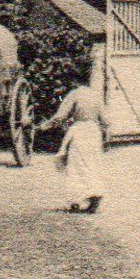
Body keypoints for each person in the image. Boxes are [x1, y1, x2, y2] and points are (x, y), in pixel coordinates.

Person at [39, 61, 107, 214]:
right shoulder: (96, 96)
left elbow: (60, 116)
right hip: (94, 133)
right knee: (92, 165)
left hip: (81, 132)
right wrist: (106, 136)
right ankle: (94, 195)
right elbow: (106, 120)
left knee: (77, 166)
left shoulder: (74, 95)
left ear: (76, 80)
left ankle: (76, 200)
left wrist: (45, 125)